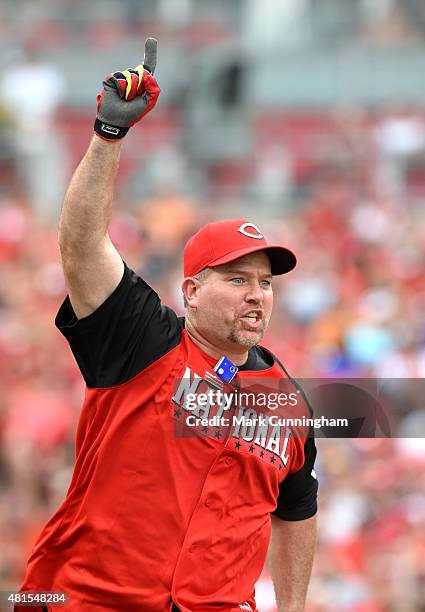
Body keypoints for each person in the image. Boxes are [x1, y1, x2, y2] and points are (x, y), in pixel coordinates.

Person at [16, 38, 318, 612]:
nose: (256, 295)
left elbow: (298, 508)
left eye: (266, 283)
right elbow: (81, 247)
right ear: (192, 292)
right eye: (236, 280)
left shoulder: (290, 403)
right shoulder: (144, 339)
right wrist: (108, 134)